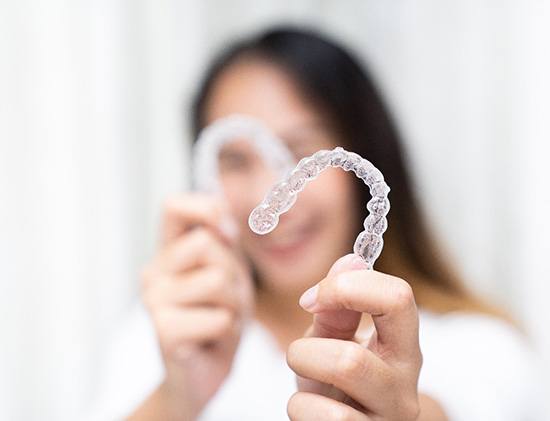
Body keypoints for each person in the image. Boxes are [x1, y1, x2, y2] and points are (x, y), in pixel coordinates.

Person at [93, 27, 540, 421]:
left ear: (363, 153)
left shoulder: (481, 350)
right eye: (235, 160)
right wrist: (177, 397)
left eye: (301, 150)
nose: (268, 195)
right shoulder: (162, 338)